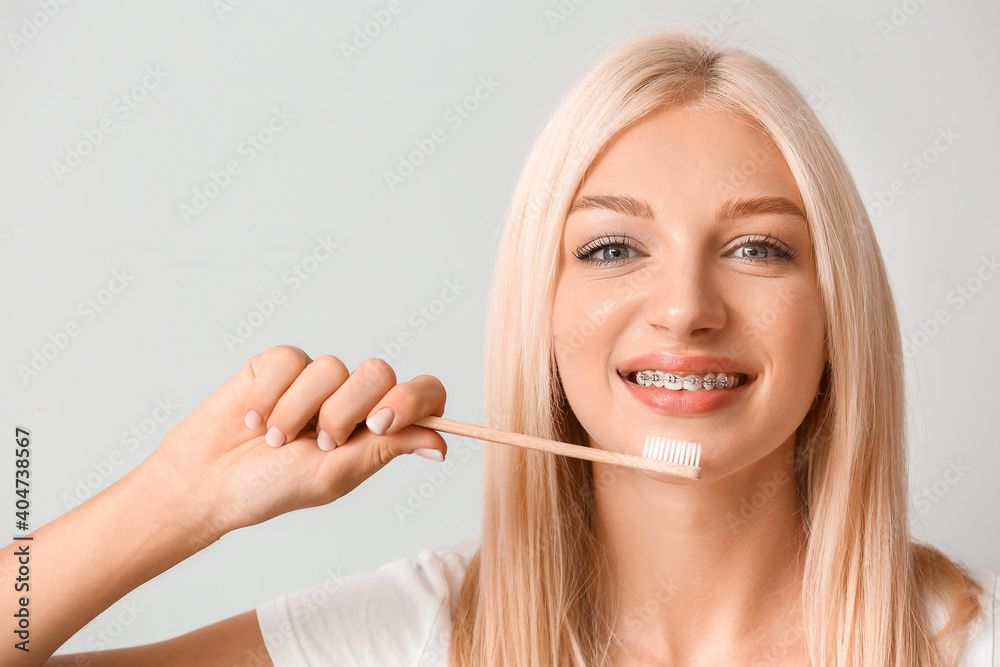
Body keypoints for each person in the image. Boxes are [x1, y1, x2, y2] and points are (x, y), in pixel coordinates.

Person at [5, 28, 996, 667]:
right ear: (543, 310)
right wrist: (174, 501)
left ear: (837, 314)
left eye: (756, 248)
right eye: (613, 247)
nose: (685, 308)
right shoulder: (399, 640)